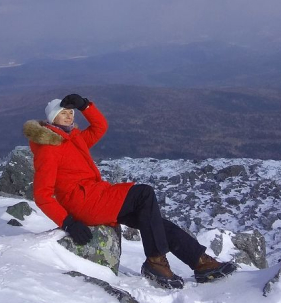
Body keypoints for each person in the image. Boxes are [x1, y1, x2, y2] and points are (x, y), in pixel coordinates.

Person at [23, 93, 237, 289]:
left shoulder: (73, 139)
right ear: (52, 119)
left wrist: (85, 105)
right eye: (63, 114)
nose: (69, 116)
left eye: (70, 112)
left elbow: (100, 127)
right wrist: (68, 222)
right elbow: (42, 195)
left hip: (96, 197)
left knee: (154, 222)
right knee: (144, 194)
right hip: (85, 203)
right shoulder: (49, 148)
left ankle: (200, 261)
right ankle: (155, 261)